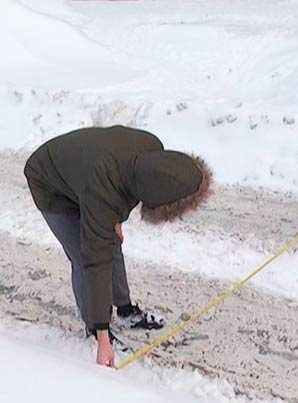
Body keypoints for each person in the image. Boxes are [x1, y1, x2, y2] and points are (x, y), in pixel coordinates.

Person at [24, 126, 212, 367]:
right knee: (85, 256)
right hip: (49, 181)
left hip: (86, 174)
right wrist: (104, 337)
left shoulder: (151, 147)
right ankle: (95, 330)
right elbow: (96, 261)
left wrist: (116, 218)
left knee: (111, 241)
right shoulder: (104, 190)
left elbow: (125, 188)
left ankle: (124, 309)